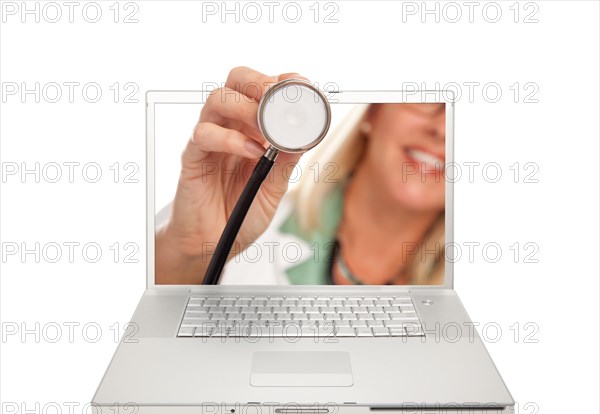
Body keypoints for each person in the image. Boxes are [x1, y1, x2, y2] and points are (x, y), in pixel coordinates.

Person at [155, 67, 446, 285]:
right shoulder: (241, 212)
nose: (444, 130)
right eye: (429, 97)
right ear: (373, 111)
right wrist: (189, 255)